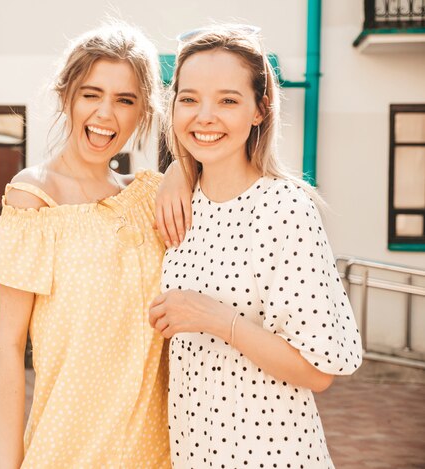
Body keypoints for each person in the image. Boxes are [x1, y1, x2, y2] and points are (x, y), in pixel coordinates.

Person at [149, 24, 363, 468]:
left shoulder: (285, 210)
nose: (204, 116)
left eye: (227, 100)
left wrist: (216, 318)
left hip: (271, 455)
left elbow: (320, 371)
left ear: (259, 110)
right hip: (194, 453)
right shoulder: (181, 201)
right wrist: (177, 171)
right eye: (188, 99)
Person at [0, 21, 171, 468]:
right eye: (92, 94)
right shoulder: (33, 199)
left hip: (157, 450)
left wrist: (182, 170)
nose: (106, 114)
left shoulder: (150, 195)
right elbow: (6, 346)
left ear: (142, 111)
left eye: (124, 100)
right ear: (66, 94)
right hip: (68, 449)